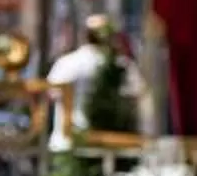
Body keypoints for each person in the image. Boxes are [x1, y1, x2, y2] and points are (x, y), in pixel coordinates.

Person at [45, 13, 142, 148]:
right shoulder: (123, 66)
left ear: (85, 35)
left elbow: (49, 95)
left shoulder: (66, 63)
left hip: (68, 142)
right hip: (111, 144)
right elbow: (136, 97)